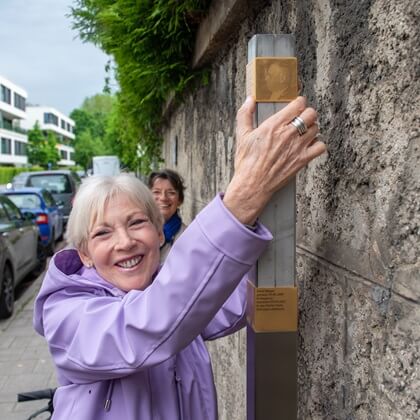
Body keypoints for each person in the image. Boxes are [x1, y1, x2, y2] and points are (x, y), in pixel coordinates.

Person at [33, 96, 325, 419]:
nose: (125, 241)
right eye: (103, 233)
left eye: (136, 223)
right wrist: (240, 200)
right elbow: (148, 324)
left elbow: (235, 297)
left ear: (159, 234)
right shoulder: (65, 315)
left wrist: (258, 187)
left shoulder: (169, 292)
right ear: (84, 254)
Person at [148, 169, 187, 261]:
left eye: (171, 193)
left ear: (180, 200)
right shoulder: (138, 232)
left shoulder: (188, 235)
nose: (163, 198)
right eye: (156, 192)